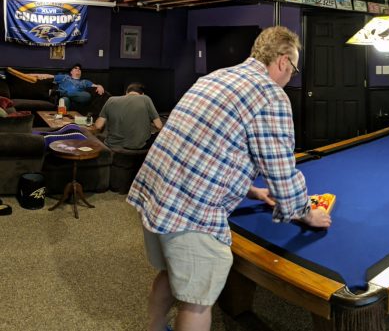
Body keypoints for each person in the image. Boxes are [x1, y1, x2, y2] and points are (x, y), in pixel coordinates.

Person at [126, 26, 331, 331]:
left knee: (171, 272)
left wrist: (255, 193)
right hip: (190, 211)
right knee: (197, 301)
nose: (291, 77)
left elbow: (208, 151)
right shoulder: (271, 96)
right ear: (284, 61)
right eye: (294, 68)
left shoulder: (216, 77)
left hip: (155, 193)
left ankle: (155, 327)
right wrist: (305, 212)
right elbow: (281, 170)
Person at [93, 82, 163, 150]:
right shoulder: (145, 98)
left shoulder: (111, 100)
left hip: (112, 145)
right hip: (137, 146)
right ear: (142, 94)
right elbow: (159, 126)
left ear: (126, 93)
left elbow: (98, 126)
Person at [34, 63, 105, 110]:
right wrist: (29, 75)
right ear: (71, 72)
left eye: (79, 69)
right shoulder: (65, 77)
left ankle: (59, 93)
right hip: (64, 99)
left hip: (78, 99)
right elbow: (48, 76)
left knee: (87, 95)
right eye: (75, 68)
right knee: (65, 99)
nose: (78, 69)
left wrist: (100, 86)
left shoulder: (84, 81)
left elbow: (96, 86)